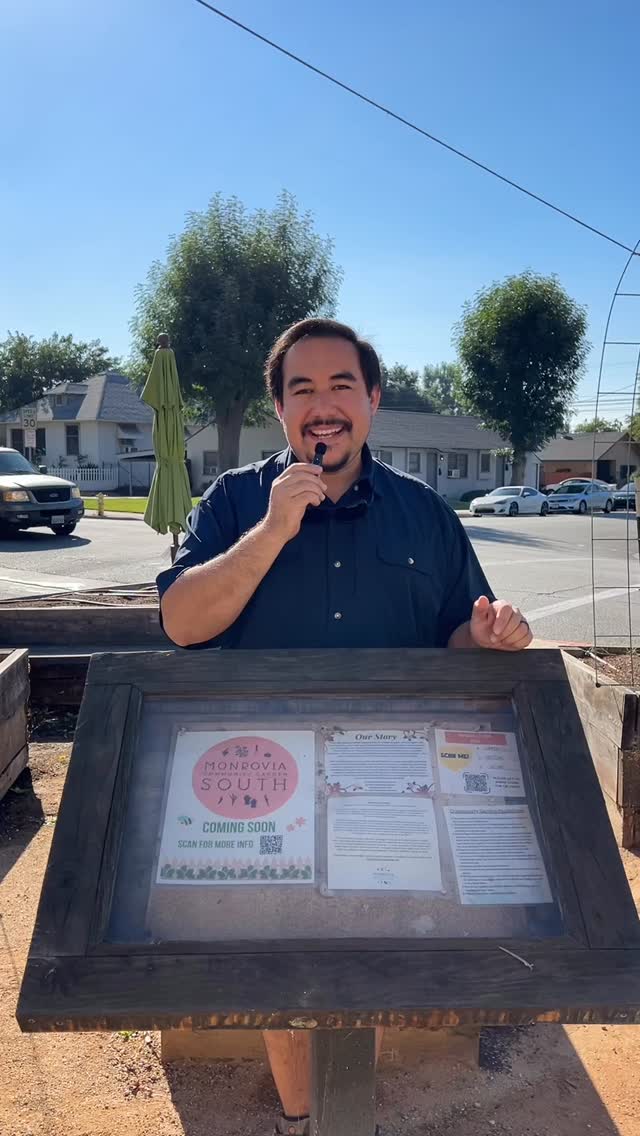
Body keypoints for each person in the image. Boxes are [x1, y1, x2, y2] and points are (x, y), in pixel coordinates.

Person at [157, 318, 532, 1134]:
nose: (322, 406)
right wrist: (273, 529)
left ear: (372, 399)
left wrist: (490, 631)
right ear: (280, 409)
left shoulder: (426, 515)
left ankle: (360, 1099)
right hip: (263, 785)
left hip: (392, 783)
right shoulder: (232, 502)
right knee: (278, 970)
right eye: (302, 390)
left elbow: (457, 635)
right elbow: (182, 622)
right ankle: (303, 1119)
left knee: (387, 947)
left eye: (339, 387)